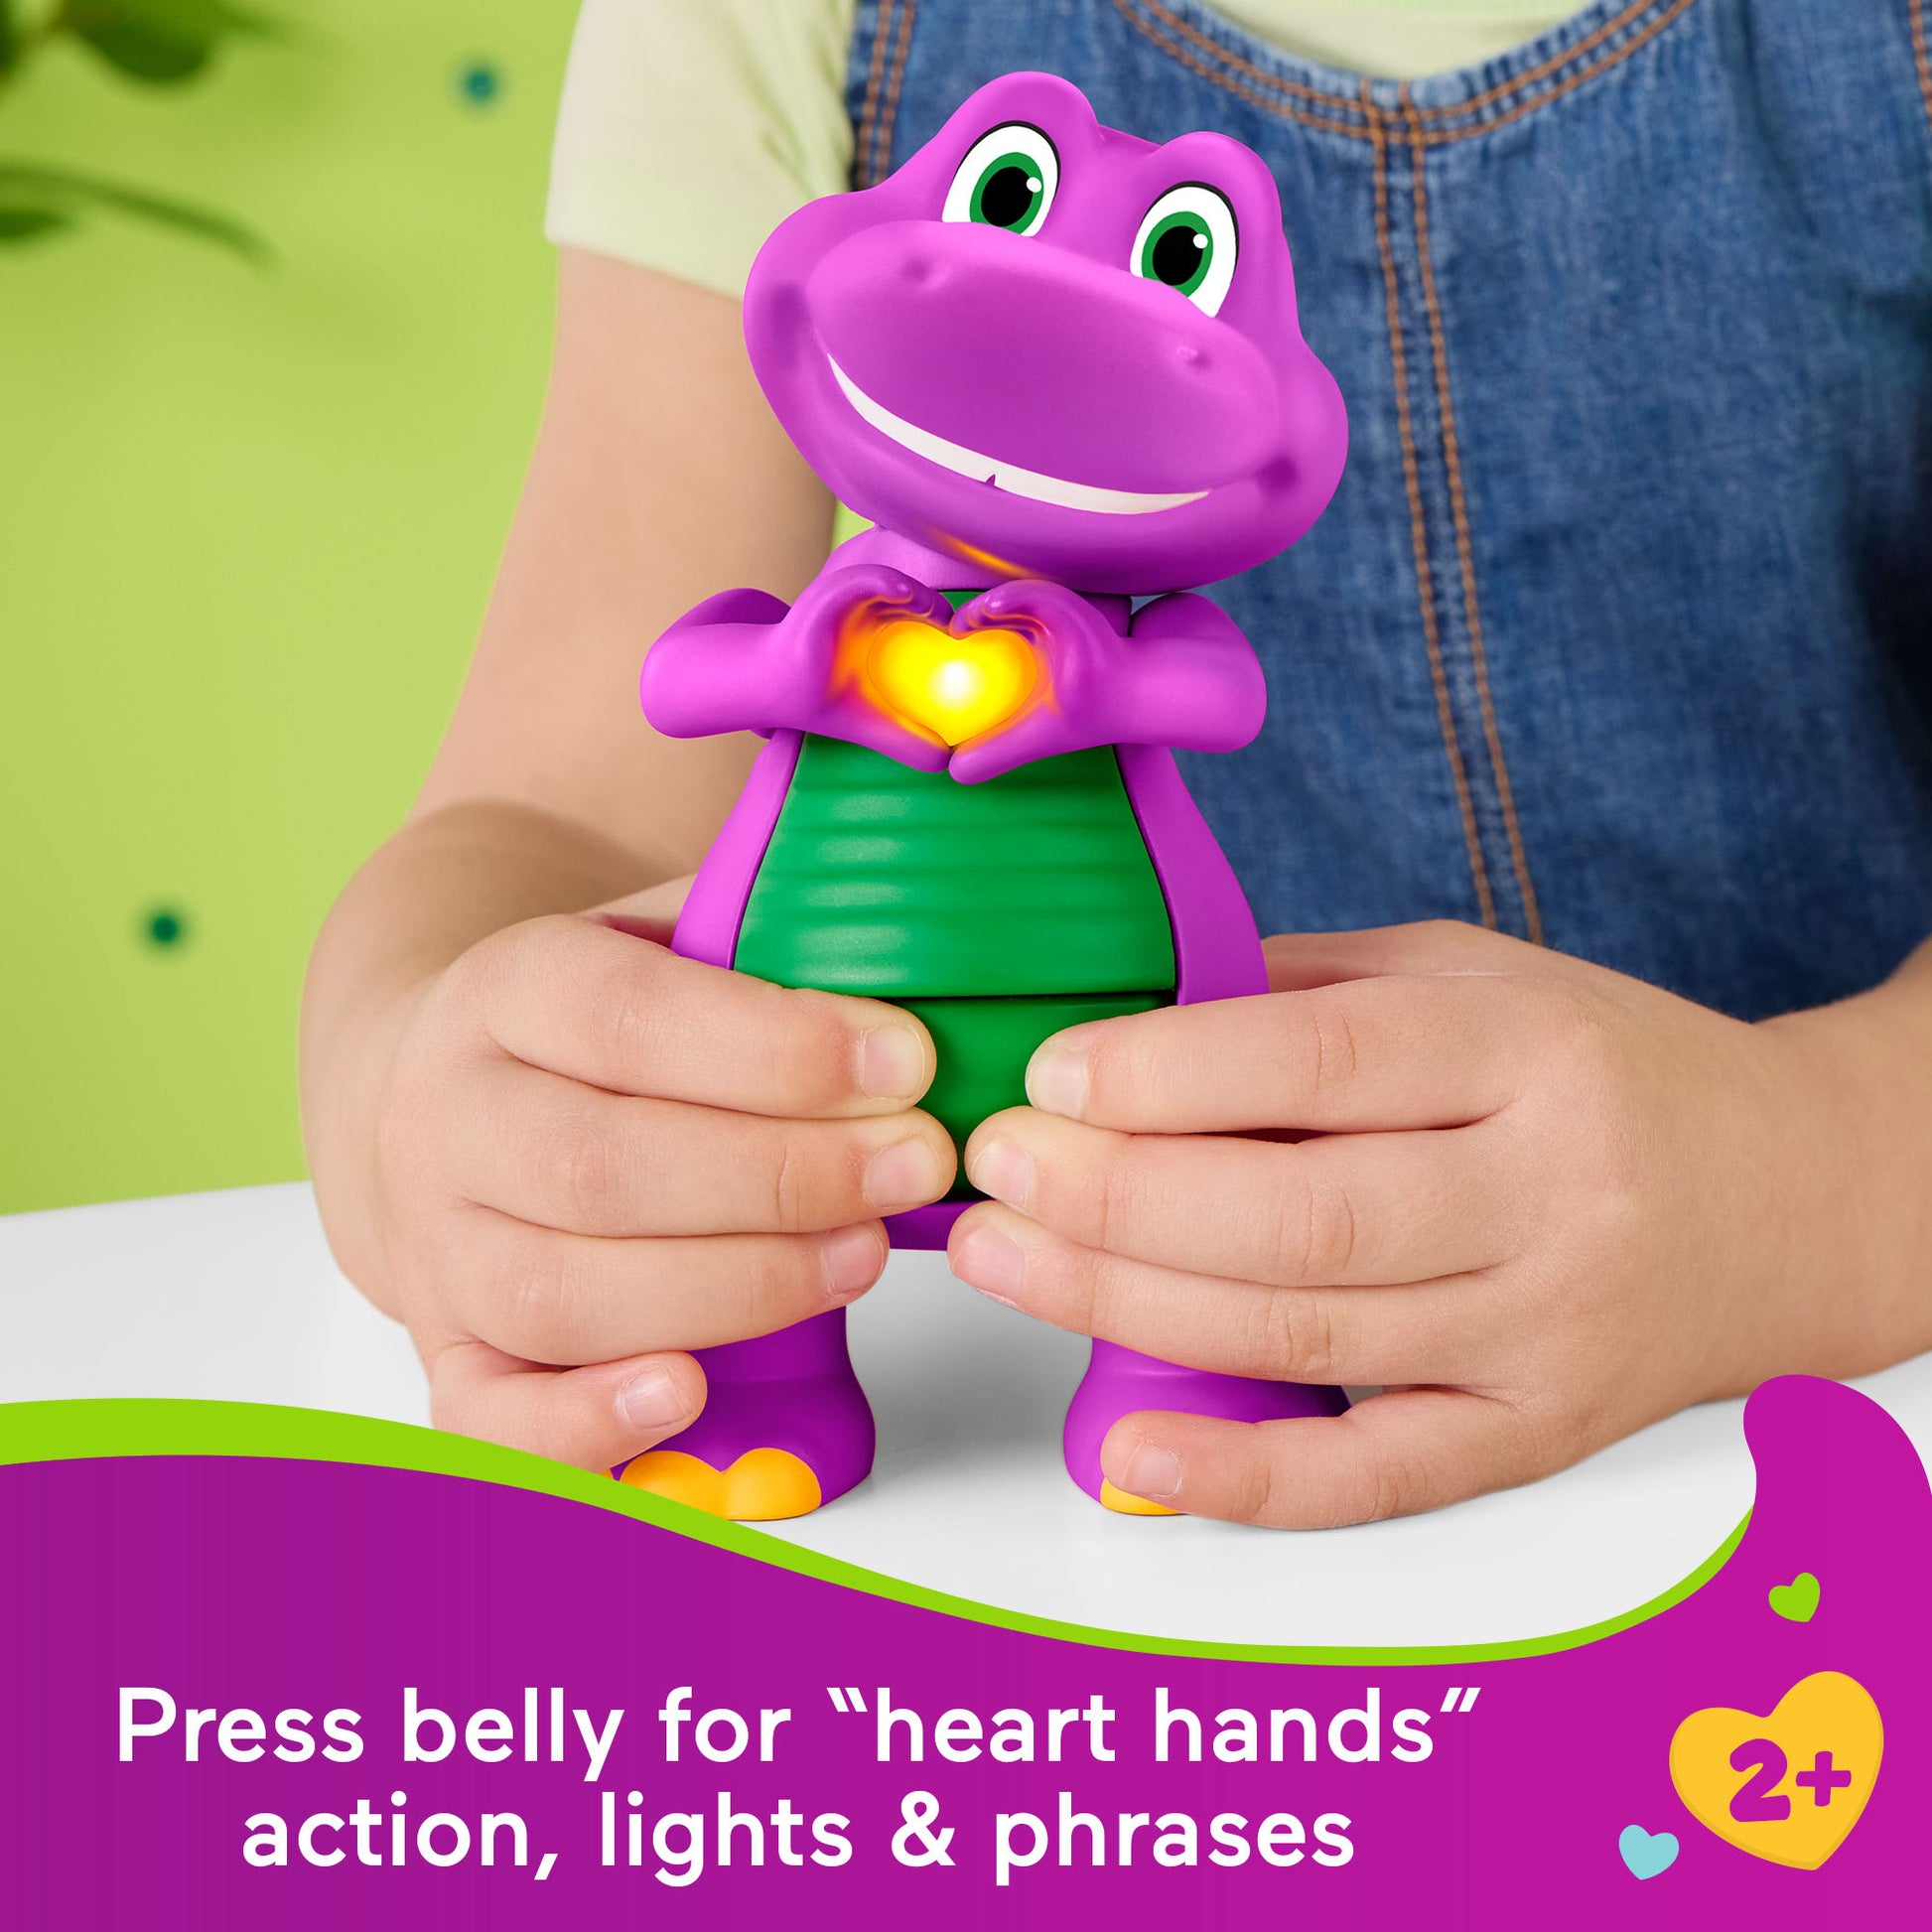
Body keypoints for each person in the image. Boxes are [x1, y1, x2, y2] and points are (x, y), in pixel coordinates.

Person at [299, 0, 1932, 1527]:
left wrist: (1812, 1176)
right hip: (987, 1390)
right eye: (1005, 203)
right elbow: (565, 804)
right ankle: (771, 1386)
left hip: (1810, 1418)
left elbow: (1204, 688)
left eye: (1172, 259)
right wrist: (420, 1107)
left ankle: (1205, 1364)